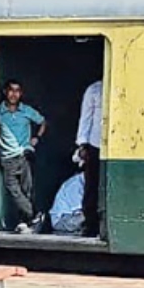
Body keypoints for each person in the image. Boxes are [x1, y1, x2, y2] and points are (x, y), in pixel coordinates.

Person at [0, 79, 46, 234]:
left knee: (26, 190)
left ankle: (25, 223)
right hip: (7, 157)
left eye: (17, 91)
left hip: (24, 155)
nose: (14, 94)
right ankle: (34, 215)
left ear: (21, 94)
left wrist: (36, 138)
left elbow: (43, 122)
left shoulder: (26, 110)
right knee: (13, 190)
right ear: (5, 92)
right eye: (11, 90)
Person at [74, 79, 103, 237]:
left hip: (117, 146)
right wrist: (82, 144)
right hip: (95, 144)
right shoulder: (94, 89)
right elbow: (86, 117)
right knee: (92, 186)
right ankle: (91, 225)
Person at [49, 168, 86, 236]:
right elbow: (78, 212)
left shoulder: (84, 183)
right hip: (62, 219)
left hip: (72, 217)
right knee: (89, 216)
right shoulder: (75, 184)